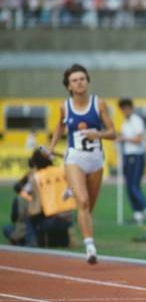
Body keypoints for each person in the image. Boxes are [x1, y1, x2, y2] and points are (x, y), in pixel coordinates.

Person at [48, 64, 116, 264]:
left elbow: (113, 133)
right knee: (84, 202)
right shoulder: (65, 106)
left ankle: (71, 189)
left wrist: (99, 133)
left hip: (95, 160)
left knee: (88, 209)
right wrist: (52, 146)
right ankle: (90, 247)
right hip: (74, 159)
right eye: (75, 80)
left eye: (82, 79)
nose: (79, 83)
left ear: (87, 81)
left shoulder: (98, 104)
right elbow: (60, 125)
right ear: (69, 86)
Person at [117, 98, 146, 224]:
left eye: (127, 108)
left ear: (131, 108)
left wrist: (124, 139)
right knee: (129, 186)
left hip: (136, 156)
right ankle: (137, 213)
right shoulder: (125, 122)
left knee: (134, 185)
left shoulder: (136, 121)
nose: (125, 111)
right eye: (123, 109)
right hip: (127, 155)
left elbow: (138, 139)